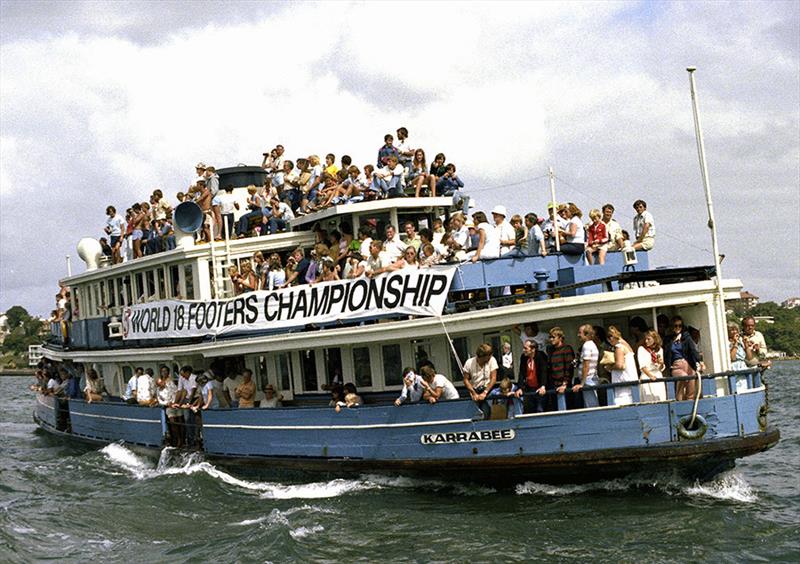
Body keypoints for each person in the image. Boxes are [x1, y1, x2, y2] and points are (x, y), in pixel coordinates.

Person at [663, 316, 704, 401]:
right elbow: (666, 354)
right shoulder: (668, 339)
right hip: (676, 365)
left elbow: (693, 350)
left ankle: (690, 403)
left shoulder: (686, 337)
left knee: (691, 382)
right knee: (683, 377)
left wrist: (700, 361)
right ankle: (679, 400)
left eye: (680, 325)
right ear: (671, 326)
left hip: (687, 363)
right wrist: (667, 365)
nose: (678, 328)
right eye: (675, 326)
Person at [462, 343, 498, 419]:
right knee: (473, 415)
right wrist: (473, 393)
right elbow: (465, 380)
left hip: (487, 390)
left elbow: (493, 378)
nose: (490, 358)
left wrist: (485, 392)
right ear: (483, 356)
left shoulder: (492, 360)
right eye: (489, 356)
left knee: (486, 412)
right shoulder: (469, 363)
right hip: (474, 390)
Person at [607, 325, 638, 406]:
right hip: (632, 385)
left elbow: (620, 365)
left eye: (609, 337)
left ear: (612, 337)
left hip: (623, 386)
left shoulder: (619, 347)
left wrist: (610, 368)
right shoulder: (627, 345)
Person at [547, 327, 577, 409]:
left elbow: (569, 368)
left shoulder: (567, 349)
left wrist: (565, 384)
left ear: (560, 338)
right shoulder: (550, 350)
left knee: (568, 407)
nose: (551, 339)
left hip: (564, 385)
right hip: (553, 385)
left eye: (553, 337)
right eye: (550, 337)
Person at [516, 339, 548, 413]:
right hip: (529, 388)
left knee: (540, 410)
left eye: (525, 348)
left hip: (539, 388)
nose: (523, 350)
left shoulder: (541, 356)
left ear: (533, 349)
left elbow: (544, 371)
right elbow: (521, 373)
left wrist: (543, 386)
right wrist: (520, 388)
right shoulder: (524, 357)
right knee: (529, 410)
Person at [573, 325, 600, 407]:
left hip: (588, 381)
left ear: (586, 334)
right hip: (590, 379)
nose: (578, 335)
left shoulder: (587, 345)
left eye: (580, 333)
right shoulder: (592, 344)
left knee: (591, 406)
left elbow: (586, 365)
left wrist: (582, 383)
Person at [638, 329, 666, 402]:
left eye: (648, 339)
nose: (646, 341)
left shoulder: (660, 349)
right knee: (648, 400)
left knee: (660, 398)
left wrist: (661, 363)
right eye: (645, 339)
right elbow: (642, 366)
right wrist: (650, 376)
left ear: (654, 339)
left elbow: (660, 368)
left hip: (657, 375)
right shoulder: (641, 349)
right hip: (647, 376)